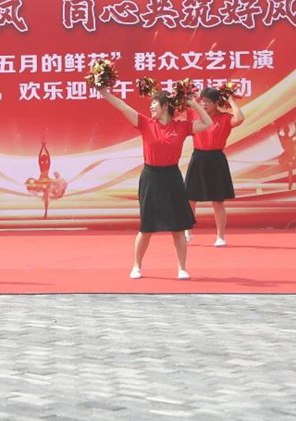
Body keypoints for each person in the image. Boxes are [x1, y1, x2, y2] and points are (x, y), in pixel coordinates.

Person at [99, 84, 212, 280]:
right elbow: (123, 107)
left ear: (166, 106)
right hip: (151, 177)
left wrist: (193, 104)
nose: (151, 107)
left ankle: (182, 268)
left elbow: (207, 123)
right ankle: (137, 266)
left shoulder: (181, 126)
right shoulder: (145, 123)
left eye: (154, 103)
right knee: (147, 227)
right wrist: (104, 92)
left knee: (178, 227)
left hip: (172, 178)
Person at [184, 87, 245, 247]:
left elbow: (239, 118)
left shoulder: (224, 118)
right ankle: (188, 233)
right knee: (190, 199)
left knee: (218, 201)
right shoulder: (194, 114)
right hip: (198, 158)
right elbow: (176, 109)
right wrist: (189, 96)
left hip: (216, 159)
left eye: (208, 101)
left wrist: (230, 99)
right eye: (203, 101)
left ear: (217, 103)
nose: (204, 104)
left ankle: (220, 237)